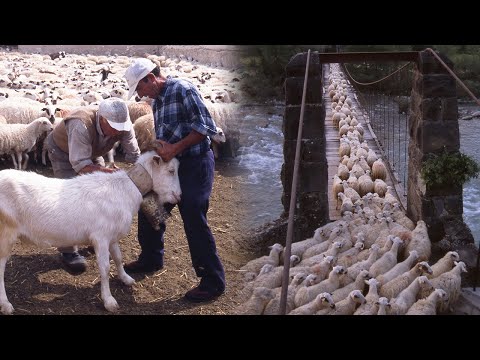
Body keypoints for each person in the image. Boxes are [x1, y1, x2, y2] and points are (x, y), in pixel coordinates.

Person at [123, 58, 226, 303]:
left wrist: (175, 148)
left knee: (193, 214)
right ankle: (151, 257)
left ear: (149, 78)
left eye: (139, 87)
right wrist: (159, 150)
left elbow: (205, 127)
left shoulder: (183, 89)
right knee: (150, 206)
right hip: (173, 164)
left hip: (195, 163)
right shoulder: (157, 100)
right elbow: (169, 133)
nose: (139, 94)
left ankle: (212, 281)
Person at [45, 98, 141, 273]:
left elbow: (134, 155)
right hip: (63, 151)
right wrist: (109, 174)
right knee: (69, 197)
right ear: (102, 119)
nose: (119, 131)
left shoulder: (123, 126)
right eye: (115, 127)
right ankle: (68, 251)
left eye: (122, 128)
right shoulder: (80, 124)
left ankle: (94, 236)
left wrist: (141, 173)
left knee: (100, 194)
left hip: (93, 151)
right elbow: (80, 164)